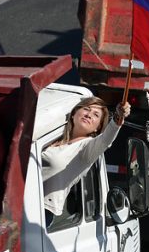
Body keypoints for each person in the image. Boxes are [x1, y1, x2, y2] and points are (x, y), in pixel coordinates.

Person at [42, 96, 130, 224]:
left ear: (97, 128)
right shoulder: (53, 134)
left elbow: (106, 139)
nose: (89, 115)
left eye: (95, 115)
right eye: (86, 109)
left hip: (42, 210)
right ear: (74, 114)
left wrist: (118, 117)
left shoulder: (87, 148)